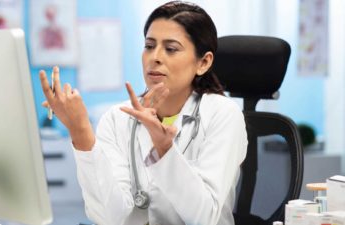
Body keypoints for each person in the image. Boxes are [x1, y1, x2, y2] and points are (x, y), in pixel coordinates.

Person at [39, 1, 247, 224]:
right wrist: (80, 133)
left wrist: (164, 150)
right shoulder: (117, 118)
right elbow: (110, 217)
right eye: (149, 46)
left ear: (203, 62)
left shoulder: (223, 114)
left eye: (171, 48)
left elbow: (204, 217)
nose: (155, 57)